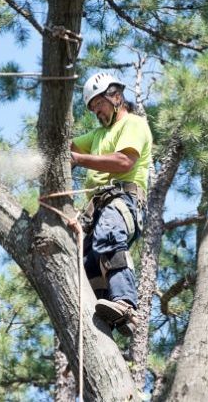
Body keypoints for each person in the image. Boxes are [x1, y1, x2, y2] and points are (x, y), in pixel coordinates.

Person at [71, 72, 152, 336]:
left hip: (123, 201)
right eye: (92, 108)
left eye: (99, 104)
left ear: (115, 96)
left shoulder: (134, 124)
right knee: (88, 263)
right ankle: (106, 313)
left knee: (108, 235)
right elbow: (66, 147)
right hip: (96, 213)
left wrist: (80, 160)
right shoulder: (96, 136)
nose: (96, 112)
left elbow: (123, 162)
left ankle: (126, 303)